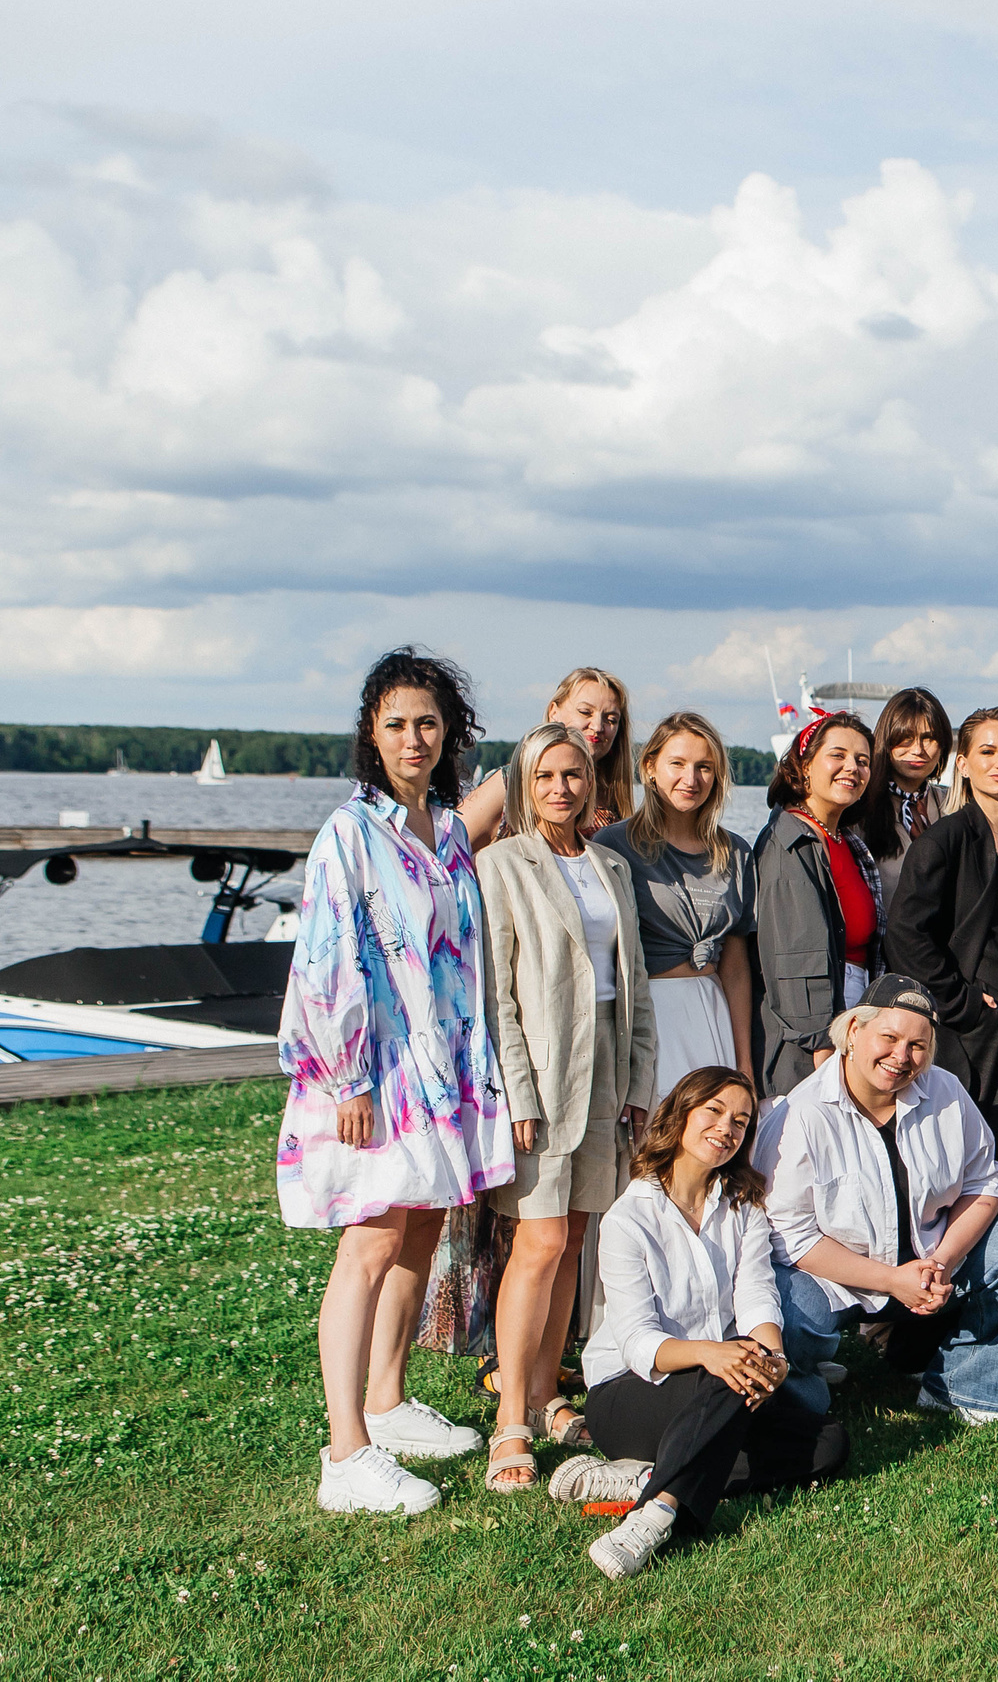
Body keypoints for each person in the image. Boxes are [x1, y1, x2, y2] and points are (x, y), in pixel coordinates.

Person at [277, 647, 509, 1516]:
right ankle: (346, 1450)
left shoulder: (447, 829)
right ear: (372, 736)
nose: (414, 738)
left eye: (427, 723)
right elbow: (327, 958)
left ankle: (387, 1396)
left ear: (449, 733)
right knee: (370, 1242)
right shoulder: (352, 831)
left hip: (441, 1068)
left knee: (418, 1232)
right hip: (372, 1070)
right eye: (396, 724)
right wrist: (347, 1077)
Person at [562, 1067, 850, 1580]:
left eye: (741, 1122)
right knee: (729, 1370)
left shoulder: (744, 1208)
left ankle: (646, 1476)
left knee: (828, 1443)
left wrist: (775, 1360)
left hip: (716, 1386)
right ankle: (656, 1513)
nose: (727, 1129)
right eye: (714, 1111)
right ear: (680, 1114)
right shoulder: (628, 1219)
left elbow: (757, 1296)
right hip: (627, 1392)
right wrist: (711, 1353)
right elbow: (637, 1343)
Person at [475, 724, 657, 1493]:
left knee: (577, 1236)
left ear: (592, 781)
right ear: (524, 783)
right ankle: (509, 1416)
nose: (561, 788)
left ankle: (550, 1391)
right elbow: (496, 994)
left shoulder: (611, 863)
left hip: (608, 1071)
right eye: (546, 775)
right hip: (544, 1075)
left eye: (574, 774)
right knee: (540, 1240)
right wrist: (517, 1090)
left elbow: (635, 983)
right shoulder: (502, 864)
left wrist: (642, 1083)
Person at [762, 975, 998, 1424]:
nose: (902, 1057)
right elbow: (791, 1235)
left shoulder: (945, 1091)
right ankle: (806, 1392)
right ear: (852, 1033)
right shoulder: (799, 1115)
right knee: (782, 1310)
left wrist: (939, 1261)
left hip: (930, 1266)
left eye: (918, 1045)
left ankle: (969, 1388)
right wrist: (889, 1280)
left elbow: (982, 1184)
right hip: (843, 1281)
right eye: (889, 1037)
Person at [884, 708, 998, 1213]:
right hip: (975, 1034)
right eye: (988, 752)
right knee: (975, 1169)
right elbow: (904, 935)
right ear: (962, 763)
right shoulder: (942, 840)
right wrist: (959, 1002)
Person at [595, 712, 755, 1092]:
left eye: (704, 767)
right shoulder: (613, 846)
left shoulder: (735, 852)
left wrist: (744, 1060)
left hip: (711, 1009)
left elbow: (735, 967)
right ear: (650, 767)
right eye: (678, 764)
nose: (691, 778)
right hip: (649, 1015)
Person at [754, 711, 882, 1098]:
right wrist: (824, 1045)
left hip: (853, 1009)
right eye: (837, 756)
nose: (852, 768)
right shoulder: (789, 842)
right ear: (804, 766)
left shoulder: (845, 840)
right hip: (812, 1038)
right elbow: (796, 957)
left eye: (862, 761)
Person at [457, 666, 634, 847]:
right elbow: (447, 847)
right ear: (554, 712)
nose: (598, 726)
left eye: (611, 719)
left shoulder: (613, 799)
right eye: (585, 712)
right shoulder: (511, 782)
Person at [851, 686, 953, 901]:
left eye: (928, 738)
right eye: (905, 738)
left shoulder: (952, 806)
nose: (917, 750)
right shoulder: (858, 810)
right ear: (886, 741)